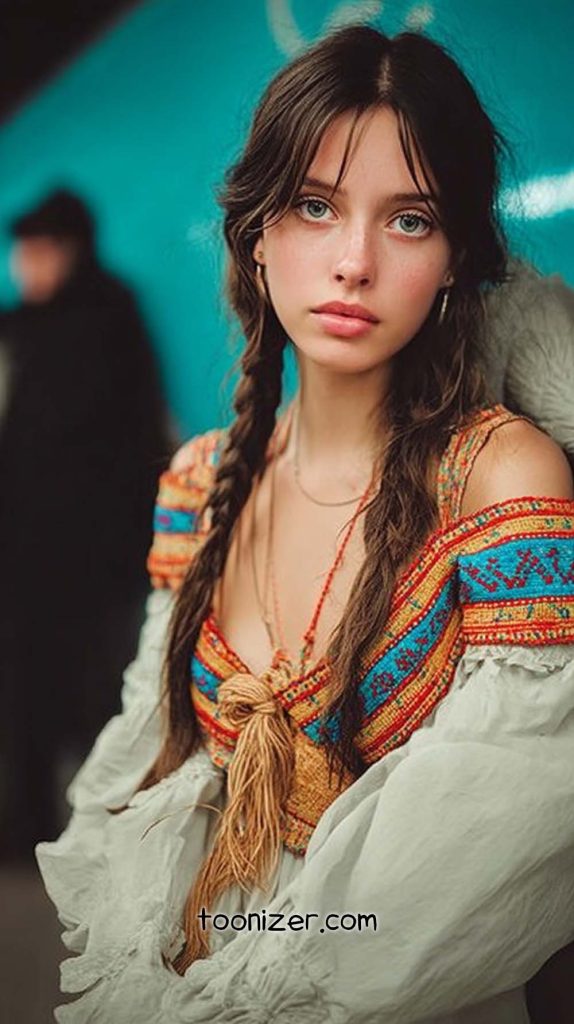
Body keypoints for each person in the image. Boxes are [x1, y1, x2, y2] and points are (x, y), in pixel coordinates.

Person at [36, 26, 574, 1024]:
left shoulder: (499, 478)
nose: (352, 262)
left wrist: (250, 974)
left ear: (458, 253)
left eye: (408, 219)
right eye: (315, 207)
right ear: (257, 232)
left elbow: (496, 835)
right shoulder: (202, 483)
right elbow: (139, 774)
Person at [0, 189, 171, 859]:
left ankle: (103, 834)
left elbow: (137, 433)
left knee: (101, 689)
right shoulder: (18, 327)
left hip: (99, 557)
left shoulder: (112, 314)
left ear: (72, 251)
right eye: (20, 252)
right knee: (25, 685)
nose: (23, 266)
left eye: (38, 251)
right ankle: (28, 822)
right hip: (24, 549)